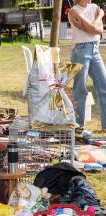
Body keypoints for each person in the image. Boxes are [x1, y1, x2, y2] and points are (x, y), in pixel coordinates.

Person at [68, 0, 106, 132]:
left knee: (104, 86)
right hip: (80, 50)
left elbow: (99, 30)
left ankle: (105, 126)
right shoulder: (73, 11)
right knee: (80, 89)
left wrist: (90, 27)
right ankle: (78, 126)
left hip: (95, 50)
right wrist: (100, 15)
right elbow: (93, 29)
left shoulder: (94, 7)